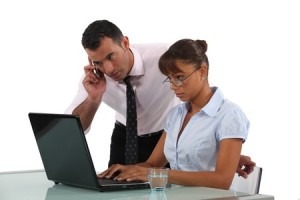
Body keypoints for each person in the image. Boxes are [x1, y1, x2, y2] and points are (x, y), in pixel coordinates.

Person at [65, 19, 255, 178]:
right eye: (98, 63)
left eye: (111, 57)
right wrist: (94, 98)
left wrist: (221, 152)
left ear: (125, 43)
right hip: (127, 138)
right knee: (118, 187)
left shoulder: (165, 56)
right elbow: (74, 129)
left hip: (161, 138)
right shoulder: (177, 114)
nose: (108, 69)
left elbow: (201, 91)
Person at [98, 39, 250, 190]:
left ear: (202, 71)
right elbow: (152, 164)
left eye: (180, 77)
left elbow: (222, 180)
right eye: (170, 79)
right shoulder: (176, 115)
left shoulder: (229, 115)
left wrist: (159, 174)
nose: (173, 86)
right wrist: (124, 171)